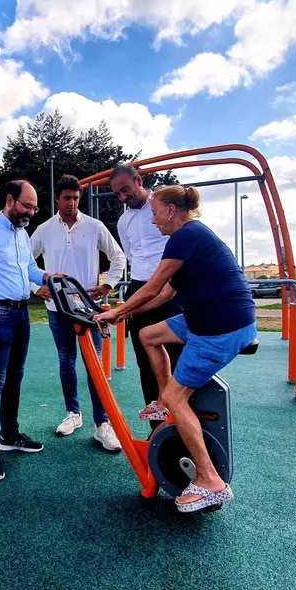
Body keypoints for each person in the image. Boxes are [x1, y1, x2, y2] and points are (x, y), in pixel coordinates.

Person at [95, 185, 257, 513]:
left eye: (155, 213)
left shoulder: (185, 236)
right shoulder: (187, 238)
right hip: (206, 318)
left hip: (220, 329)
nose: (153, 220)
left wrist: (116, 312)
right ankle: (162, 401)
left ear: (171, 210)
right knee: (149, 336)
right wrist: (124, 314)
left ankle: (210, 480)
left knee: (178, 398)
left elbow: (152, 286)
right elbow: (165, 294)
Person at [0, 180, 57, 482]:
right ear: (9, 200)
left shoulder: (21, 234)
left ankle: (10, 435)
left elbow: (29, 269)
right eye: (26, 206)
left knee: (15, 376)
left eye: (34, 207)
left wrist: (47, 276)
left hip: (20, 313)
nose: (31, 212)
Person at [30, 174, 127, 452]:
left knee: (94, 363)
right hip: (57, 308)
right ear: (57, 199)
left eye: (75, 198)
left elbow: (118, 256)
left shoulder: (95, 226)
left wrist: (108, 283)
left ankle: (102, 424)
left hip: (87, 309)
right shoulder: (45, 229)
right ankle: (74, 414)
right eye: (66, 198)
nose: (72, 203)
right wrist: (37, 289)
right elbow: (22, 261)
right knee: (66, 360)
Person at [109, 165, 183, 425]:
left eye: (126, 190)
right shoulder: (123, 220)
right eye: (117, 193)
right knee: (146, 362)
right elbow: (131, 256)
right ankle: (157, 427)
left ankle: (182, 423)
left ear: (139, 180)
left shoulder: (164, 205)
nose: (123, 197)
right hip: (141, 286)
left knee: (177, 359)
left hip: (171, 288)